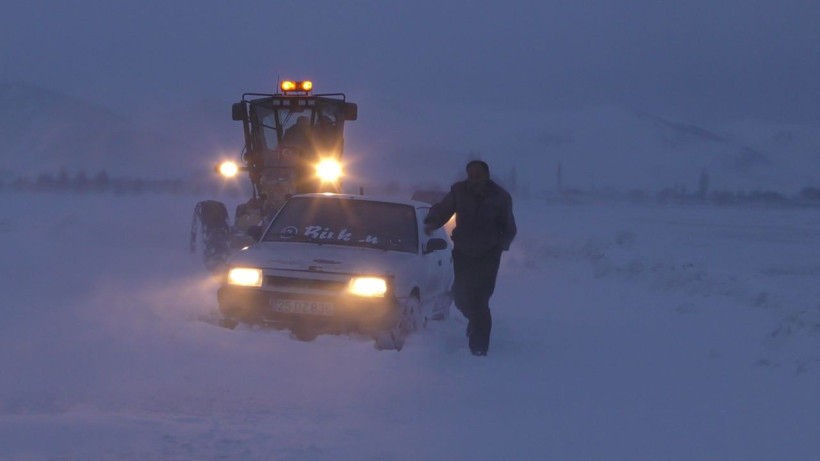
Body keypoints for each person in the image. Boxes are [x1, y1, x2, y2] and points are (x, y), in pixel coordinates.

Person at [424, 160, 516, 356]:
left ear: (486, 175)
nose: (474, 179)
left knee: (480, 299)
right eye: (471, 175)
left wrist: (499, 246)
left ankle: (479, 346)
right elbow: (443, 209)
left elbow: (509, 228)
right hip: (463, 253)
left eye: (478, 175)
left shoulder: (500, 197)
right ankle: (475, 322)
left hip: (488, 256)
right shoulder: (459, 192)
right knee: (460, 297)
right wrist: (432, 221)